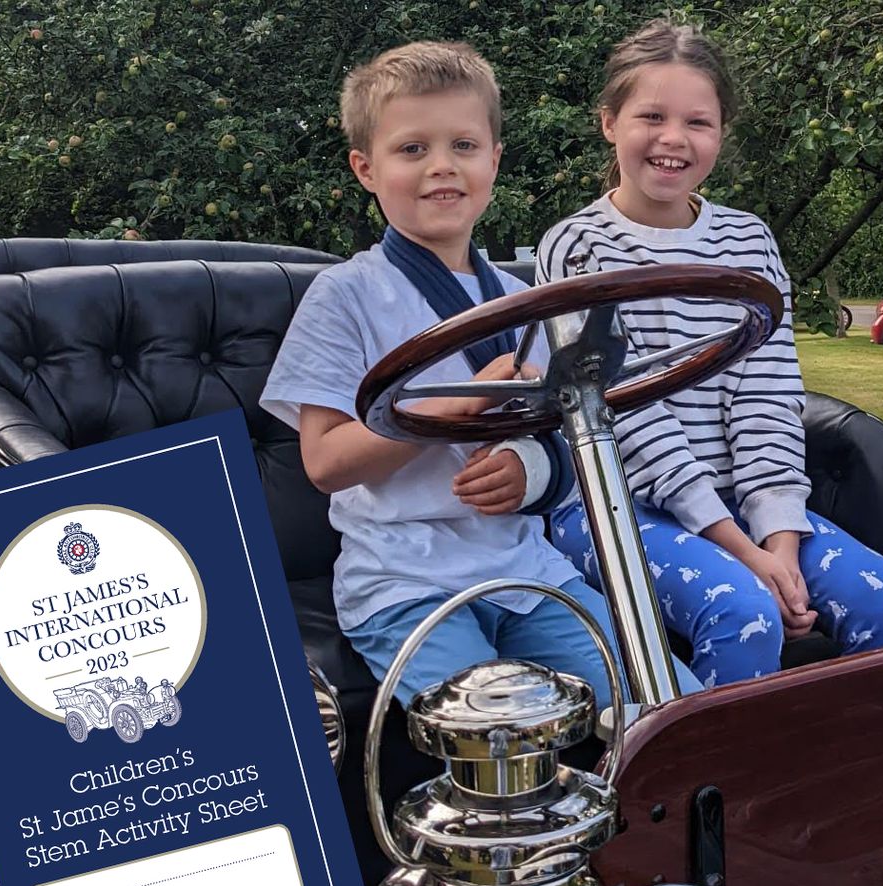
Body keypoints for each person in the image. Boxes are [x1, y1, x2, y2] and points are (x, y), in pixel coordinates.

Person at [260, 40, 700, 707]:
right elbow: (325, 462)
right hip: (403, 586)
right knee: (501, 739)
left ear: (494, 159)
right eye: (413, 149)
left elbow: (564, 438)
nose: (442, 166)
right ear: (365, 168)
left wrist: (532, 469)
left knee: (671, 708)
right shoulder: (344, 296)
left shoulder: (528, 300)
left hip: (530, 574)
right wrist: (451, 407)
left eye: (463, 145)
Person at [538, 19, 883, 688]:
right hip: (611, 504)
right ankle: (716, 761)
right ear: (609, 123)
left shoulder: (748, 243)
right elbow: (626, 412)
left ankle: (856, 751)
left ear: (721, 134)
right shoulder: (577, 249)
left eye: (698, 122)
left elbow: (769, 394)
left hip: (743, 502)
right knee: (743, 611)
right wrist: (743, 552)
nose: (673, 139)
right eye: (651, 116)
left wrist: (780, 542)